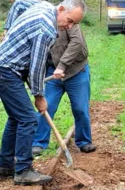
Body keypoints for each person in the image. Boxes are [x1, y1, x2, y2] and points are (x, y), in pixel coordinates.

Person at [0, 0, 86, 185]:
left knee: (16, 118)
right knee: (28, 118)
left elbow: (19, 3)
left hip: (2, 66)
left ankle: (4, 166)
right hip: (7, 70)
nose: (69, 26)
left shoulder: (43, 6)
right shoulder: (46, 30)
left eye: (74, 23)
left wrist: (8, 29)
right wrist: (39, 96)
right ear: (62, 9)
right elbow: (37, 66)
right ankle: (23, 170)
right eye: (70, 20)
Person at [31, 22, 95, 156]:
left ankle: (84, 141)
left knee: (80, 108)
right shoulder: (39, 23)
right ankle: (38, 142)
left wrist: (62, 65)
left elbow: (77, 42)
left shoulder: (69, 21)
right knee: (46, 107)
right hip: (52, 72)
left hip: (77, 71)